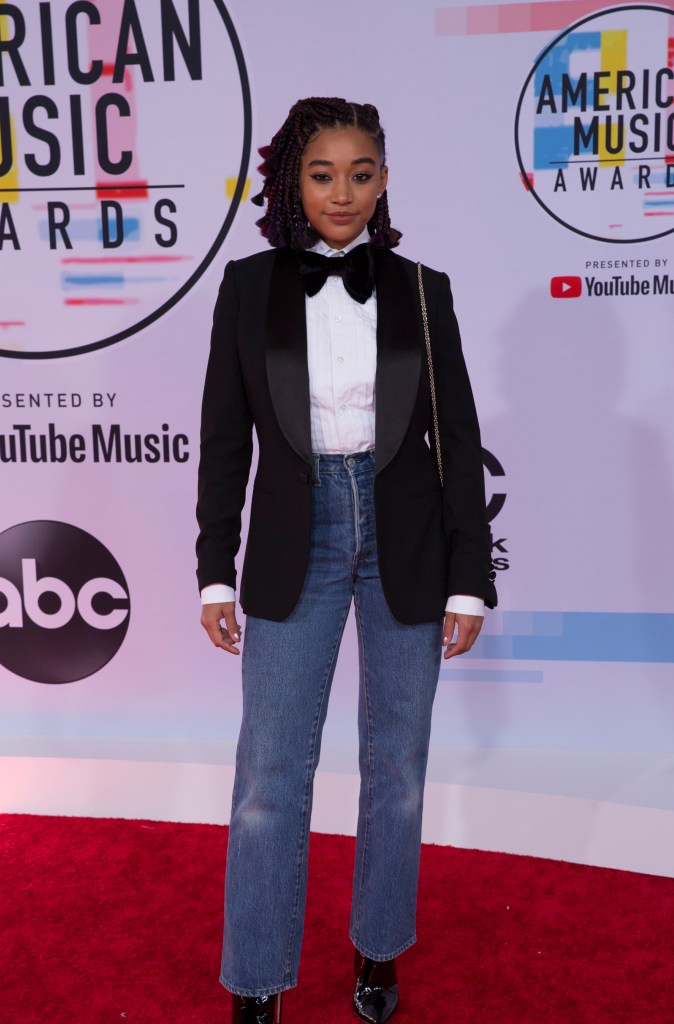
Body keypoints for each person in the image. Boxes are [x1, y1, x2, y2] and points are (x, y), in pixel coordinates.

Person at [196, 97, 496, 1024]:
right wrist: (214, 567)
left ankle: (378, 950)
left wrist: (470, 579)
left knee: (396, 767)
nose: (342, 193)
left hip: (406, 532)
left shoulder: (423, 290)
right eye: (322, 174)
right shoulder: (247, 287)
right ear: (293, 181)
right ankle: (257, 980)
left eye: (360, 174)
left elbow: (457, 438)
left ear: (384, 180)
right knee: (268, 775)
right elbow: (224, 439)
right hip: (298, 534)